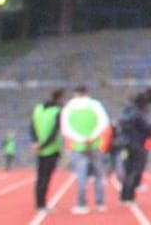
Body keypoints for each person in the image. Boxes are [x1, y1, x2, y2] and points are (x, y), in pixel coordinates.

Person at [61, 85, 110, 213]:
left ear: (75, 93)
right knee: (98, 174)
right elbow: (104, 122)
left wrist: (81, 139)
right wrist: (91, 137)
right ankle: (100, 203)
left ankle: (82, 204)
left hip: (77, 146)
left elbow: (66, 129)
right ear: (87, 92)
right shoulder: (95, 105)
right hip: (94, 144)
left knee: (81, 175)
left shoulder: (68, 108)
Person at [118, 89, 151, 205]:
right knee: (136, 170)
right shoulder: (138, 113)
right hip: (137, 144)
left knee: (128, 170)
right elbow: (146, 126)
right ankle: (129, 197)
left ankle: (124, 196)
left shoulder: (126, 112)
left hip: (126, 144)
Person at [31, 89, 65, 211]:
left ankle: (39, 203)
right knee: (46, 177)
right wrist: (43, 145)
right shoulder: (57, 112)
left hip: (39, 149)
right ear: (59, 98)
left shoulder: (38, 109)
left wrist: (35, 142)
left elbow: (32, 127)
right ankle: (42, 205)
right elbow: (54, 133)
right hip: (51, 149)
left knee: (40, 177)